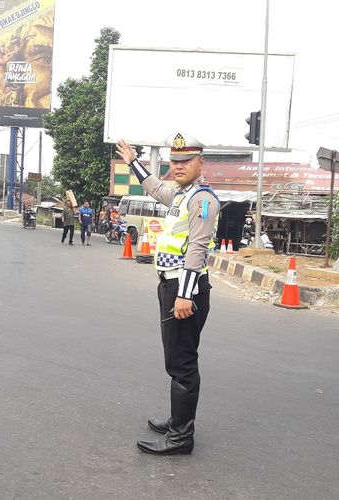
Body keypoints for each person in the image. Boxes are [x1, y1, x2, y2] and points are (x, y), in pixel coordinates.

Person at [116, 132, 220, 456]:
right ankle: (179, 420)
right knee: (175, 359)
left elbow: (198, 250)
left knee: (183, 363)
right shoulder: (180, 194)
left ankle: (180, 437)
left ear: (201, 162)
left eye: (185, 161)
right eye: (174, 161)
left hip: (184, 289)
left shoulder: (202, 200)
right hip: (172, 286)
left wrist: (185, 296)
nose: (177, 166)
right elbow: (153, 188)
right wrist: (134, 161)